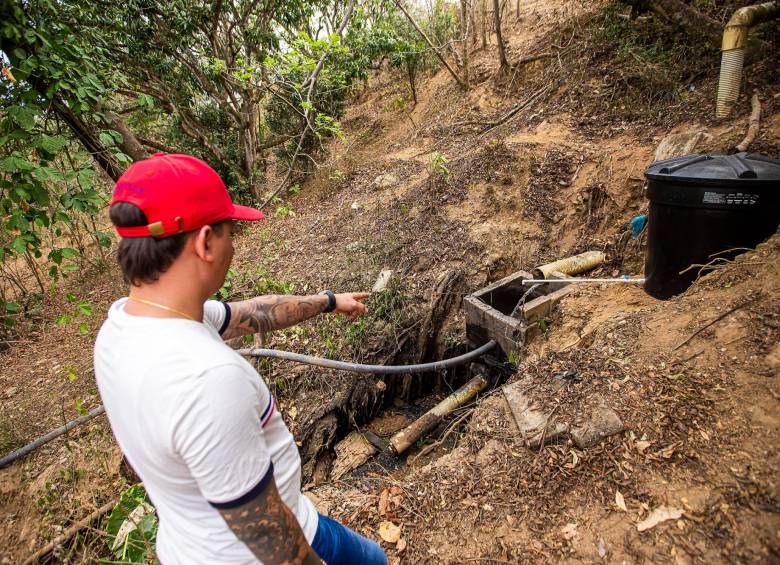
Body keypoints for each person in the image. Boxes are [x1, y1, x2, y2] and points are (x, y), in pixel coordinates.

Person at [94, 153, 388, 565]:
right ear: (205, 242)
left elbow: (251, 313)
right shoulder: (207, 380)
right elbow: (271, 542)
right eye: (231, 231)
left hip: (203, 543)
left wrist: (328, 302)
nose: (234, 244)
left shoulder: (123, 327)